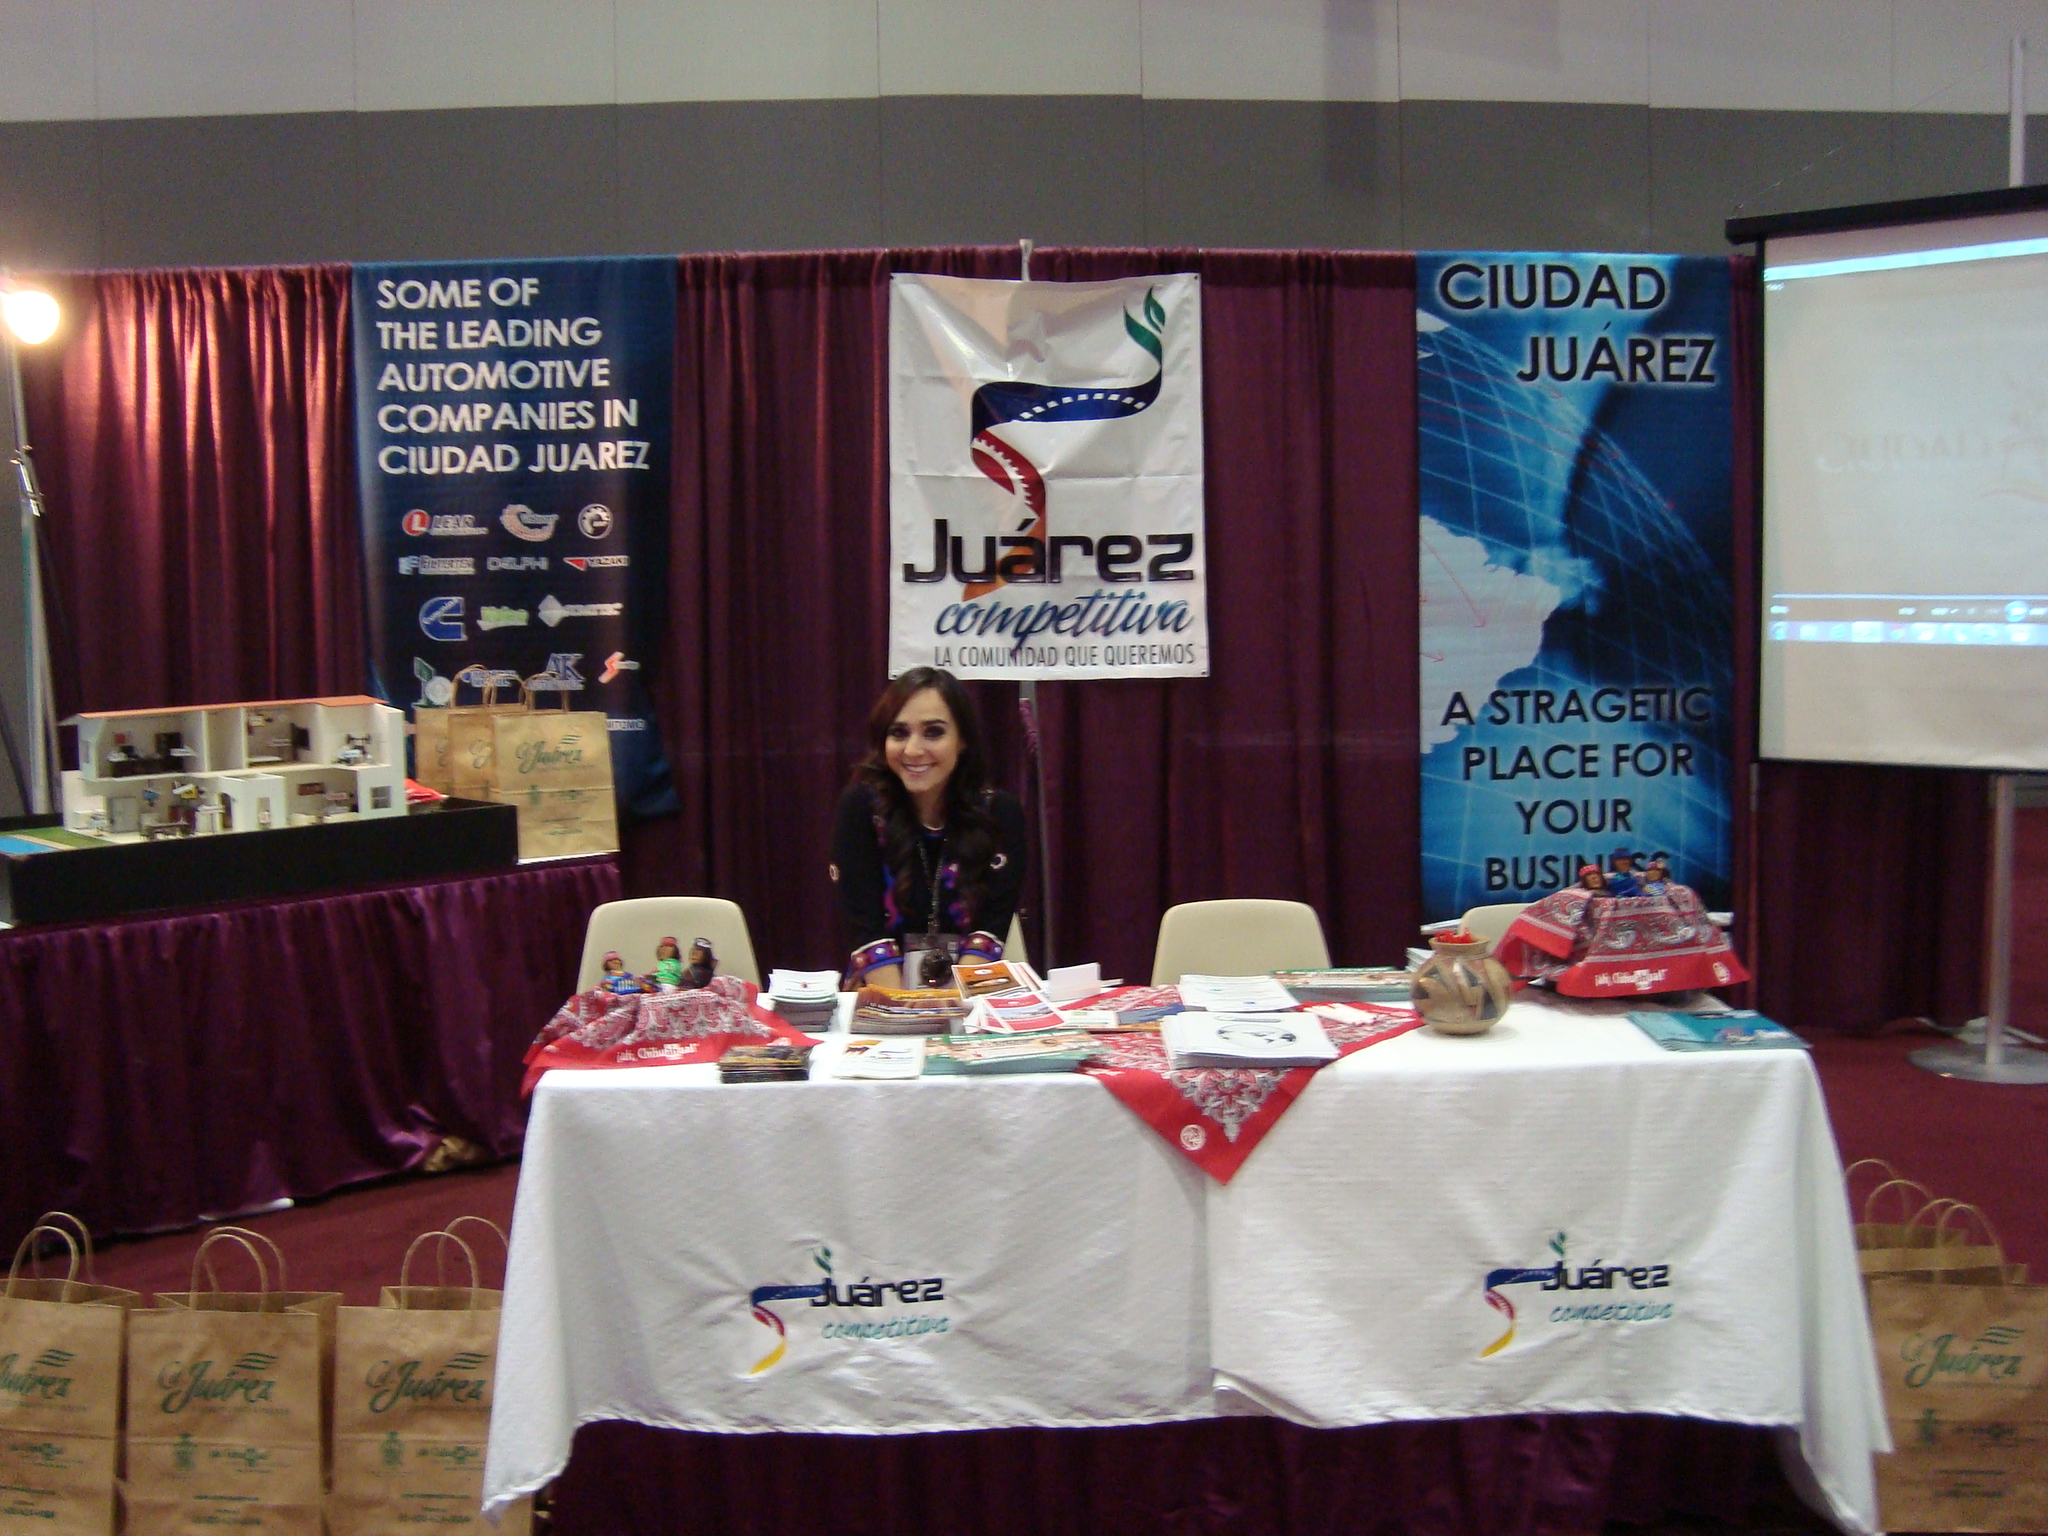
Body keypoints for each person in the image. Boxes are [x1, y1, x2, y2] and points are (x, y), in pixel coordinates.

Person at [830, 668, 1028, 988]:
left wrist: (950, 1003)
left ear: (962, 739)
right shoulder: (861, 807)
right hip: (880, 992)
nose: (912, 750)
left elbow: (990, 928)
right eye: (899, 733)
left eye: (933, 732)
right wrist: (905, 1007)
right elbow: (865, 929)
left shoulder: (999, 813)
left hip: (967, 994)